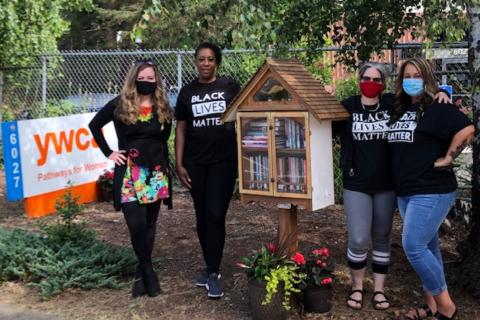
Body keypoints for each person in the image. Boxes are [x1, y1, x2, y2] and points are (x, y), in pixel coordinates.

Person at [327, 62, 451, 312]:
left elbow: (420, 102)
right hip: (356, 184)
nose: (370, 82)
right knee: (359, 239)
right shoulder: (347, 106)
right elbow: (324, 128)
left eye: (377, 79)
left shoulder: (391, 105)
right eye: (366, 77)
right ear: (359, 79)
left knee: (382, 237)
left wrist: (443, 93)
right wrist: (325, 99)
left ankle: (379, 290)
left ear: (384, 83)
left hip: (387, 184)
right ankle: (357, 286)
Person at [387, 57, 474, 320]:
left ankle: (447, 309)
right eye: (406, 76)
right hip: (406, 191)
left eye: (417, 75)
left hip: (432, 188)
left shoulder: (437, 106)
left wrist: (448, 158)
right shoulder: (398, 108)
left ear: (426, 79)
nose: (411, 80)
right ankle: (431, 306)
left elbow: (467, 128)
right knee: (429, 247)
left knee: (413, 246)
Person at [89, 59, 173, 298]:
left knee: (149, 225)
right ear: (134, 79)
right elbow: (94, 125)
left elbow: (164, 137)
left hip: (155, 172)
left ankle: (140, 274)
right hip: (129, 172)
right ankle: (149, 271)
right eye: (142, 78)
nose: (145, 82)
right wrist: (109, 152)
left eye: (150, 79)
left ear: (156, 81)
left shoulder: (163, 106)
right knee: (135, 225)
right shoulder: (120, 104)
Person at [174, 42, 240, 299]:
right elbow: (180, 129)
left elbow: (245, 115)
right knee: (202, 216)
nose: (205, 63)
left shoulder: (229, 87)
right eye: (201, 59)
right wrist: (179, 165)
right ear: (195, 62)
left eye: (210, 59)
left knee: (215, 214)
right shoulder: (186, 92)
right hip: (195, 162)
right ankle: (210, 265)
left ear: (216, 63)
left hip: (223, 161)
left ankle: (213, 272)